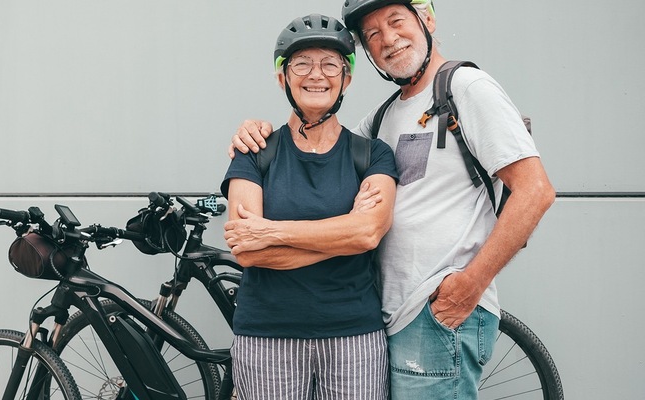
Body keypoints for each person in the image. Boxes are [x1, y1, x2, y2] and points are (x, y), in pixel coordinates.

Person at [228, 1, 556, 398]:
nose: (388, 40)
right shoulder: (386, 117)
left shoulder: (466, 87)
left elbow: (535, 190)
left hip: (438, 308)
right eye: (373, 35)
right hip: (395, 313)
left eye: (396, 21)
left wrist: (470, 285)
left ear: (427, 19)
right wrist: (255, 129)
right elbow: (319, 136)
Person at [221, 13, 399, 400]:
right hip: (267, 336)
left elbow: (368, 232)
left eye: (330, 64)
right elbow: (247, 251)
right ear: (282, 77)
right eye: (301, 63)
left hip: (354, 335)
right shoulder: (255, 153)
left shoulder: (372, 155)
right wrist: (344, 231)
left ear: (346, 79)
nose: (316, 74)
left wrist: (271, 231)